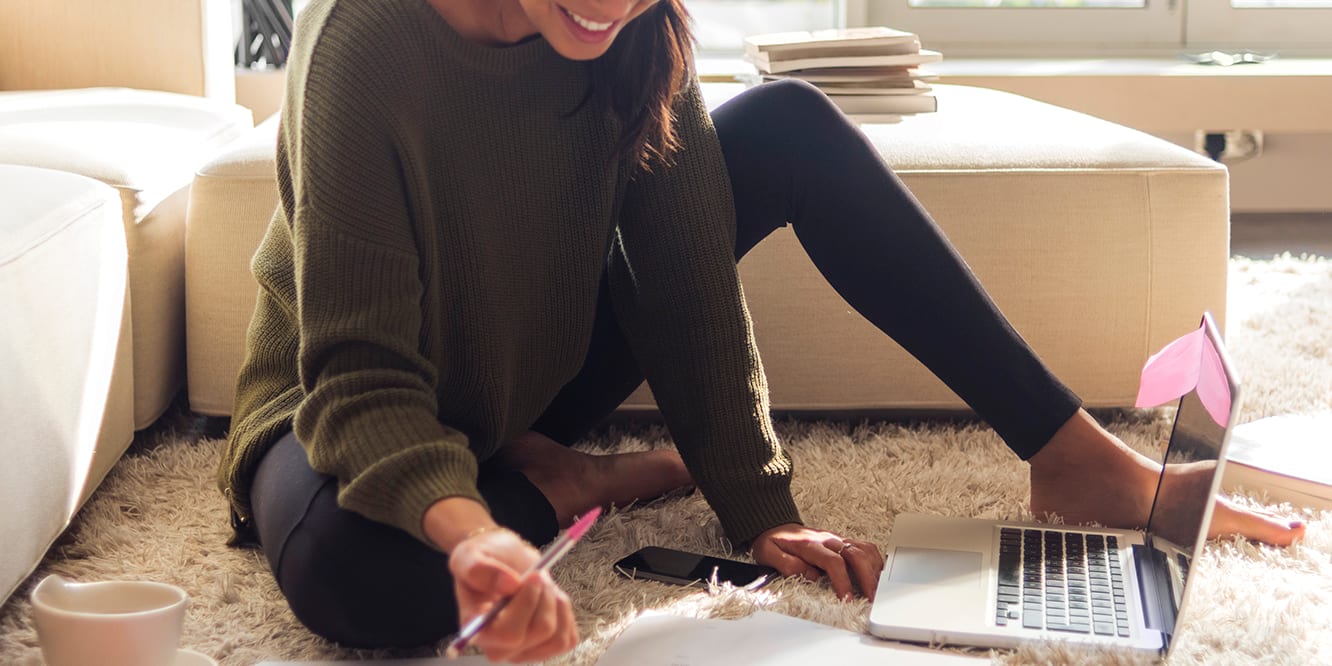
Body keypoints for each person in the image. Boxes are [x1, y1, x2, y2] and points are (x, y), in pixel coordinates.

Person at [217, 0, 1306, 662]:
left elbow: (686, 282)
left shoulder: (635, 34)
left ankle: (1075, 459)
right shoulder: (367, 42)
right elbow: (358, 381)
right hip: (342, 404)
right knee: (367, 582)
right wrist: (480, 532)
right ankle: (561, 487)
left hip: (524, 365)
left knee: (787, 126)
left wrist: (760, 507)